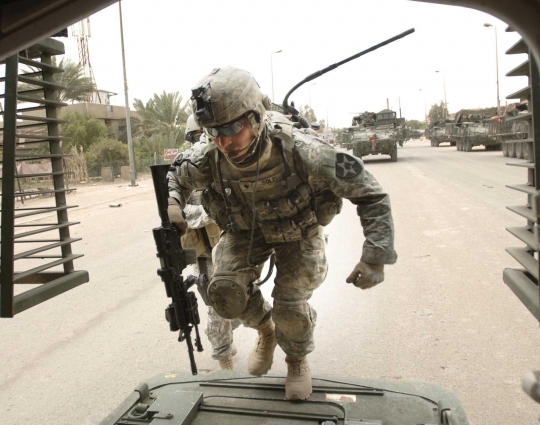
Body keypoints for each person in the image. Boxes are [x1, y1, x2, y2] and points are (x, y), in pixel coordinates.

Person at [167, 66, 396, 400]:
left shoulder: (306, 152)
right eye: (214, 131)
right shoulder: (209, 155)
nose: (224, 140)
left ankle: (296, 359)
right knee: (225, 294)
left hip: (299, 232)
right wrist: (174, 203)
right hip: (245, 231)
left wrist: (375, 256)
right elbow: (177, 175)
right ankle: (265, 330)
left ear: (256, 117)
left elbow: (371, 195)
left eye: (233, 127)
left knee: (290, 305)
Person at [181, 115, 243, 370]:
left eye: (206, 137)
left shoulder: (231, 167)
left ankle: (228, 338)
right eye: (197, 138)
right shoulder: (186, 172)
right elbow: (183, 215)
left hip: (233, 249)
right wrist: (215, 212)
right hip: (206, 256)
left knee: (240, 308)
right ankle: (224, 358)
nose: (202, 143)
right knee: (217, 309)